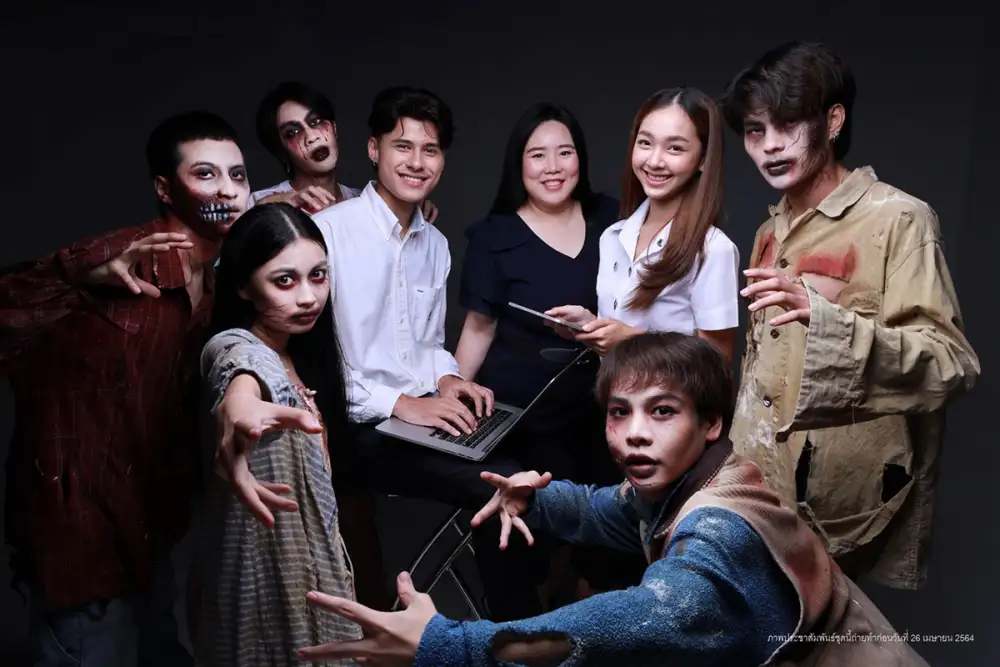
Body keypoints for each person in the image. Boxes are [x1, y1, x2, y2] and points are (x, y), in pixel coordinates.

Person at [296, 332, 930, 666]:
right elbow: (610, 510)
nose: (634, 434)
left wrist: (444, 644)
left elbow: (624, 623)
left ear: (712, 423)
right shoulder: (691, 480)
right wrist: (537, 501)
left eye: (662, 411)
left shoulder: (720, 530)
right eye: (620, 412)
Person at [719, 41, 980, 589]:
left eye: (788, 124)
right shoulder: (769, 231)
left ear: (833, 121)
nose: (770, 145)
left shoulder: (898, 219)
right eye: (755, 130)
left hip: (844, 508)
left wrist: (827, 322)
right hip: (758, 497)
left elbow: (950, 363)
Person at [0, 111, 249, 666]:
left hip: (147, 523)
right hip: (78, 528)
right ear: (165, 187)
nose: (227, 190)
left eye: (237, 175)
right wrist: (80, 277)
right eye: (205, 174)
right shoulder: (119, 257)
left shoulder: (214, 281)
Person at [307, 86, 528, 612]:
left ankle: (507, 622)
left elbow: (427, 345)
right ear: (373, 149)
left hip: (413, 420)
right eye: (402, 146)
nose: (416, 162)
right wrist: (402, 403)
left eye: (430, 150)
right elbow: (318, 364)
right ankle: (512, 631)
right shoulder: (328, 233)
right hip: (355, 429)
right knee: (495, 485)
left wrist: (448, 378)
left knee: (525, 465)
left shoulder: (435, 243)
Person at [452, 102, 621, 616]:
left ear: (581, 159)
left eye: (564, 153)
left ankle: (594, 626)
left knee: (612, 548)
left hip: (602, 413)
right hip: (522, 421)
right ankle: (527, 634)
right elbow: (478, 329)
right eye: (537, 155)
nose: (552, 167)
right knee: (525, 555)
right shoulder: (493, 235)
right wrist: (450, 394)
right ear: (517, 164)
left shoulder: (613, 220)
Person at [194, 203, 361, 667]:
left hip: (311, 583)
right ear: (243, 286)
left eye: (318, 276)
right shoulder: (239, 347)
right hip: (258, 592)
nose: (308, 297)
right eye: (284, 281)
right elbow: (239, 371)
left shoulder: (301, 354)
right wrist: (241, 403)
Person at [546, 88, 740, 361]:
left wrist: (632, 340)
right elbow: (619, 334)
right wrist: (591, 326)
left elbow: (718, 359)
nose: (654, 161)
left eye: (675, 148)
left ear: (703, 159)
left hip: (670, 391)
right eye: (645, 143)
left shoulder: (713, 249)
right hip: (613, 388)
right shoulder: (612, 237)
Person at [249, 80, 438, 222]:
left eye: (316, 122)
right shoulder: (260, 202)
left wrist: (410, 208)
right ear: (280, 152)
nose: (312, 137)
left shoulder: (362, 200)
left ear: (334, 128)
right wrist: (280, 203)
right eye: (293, 132)